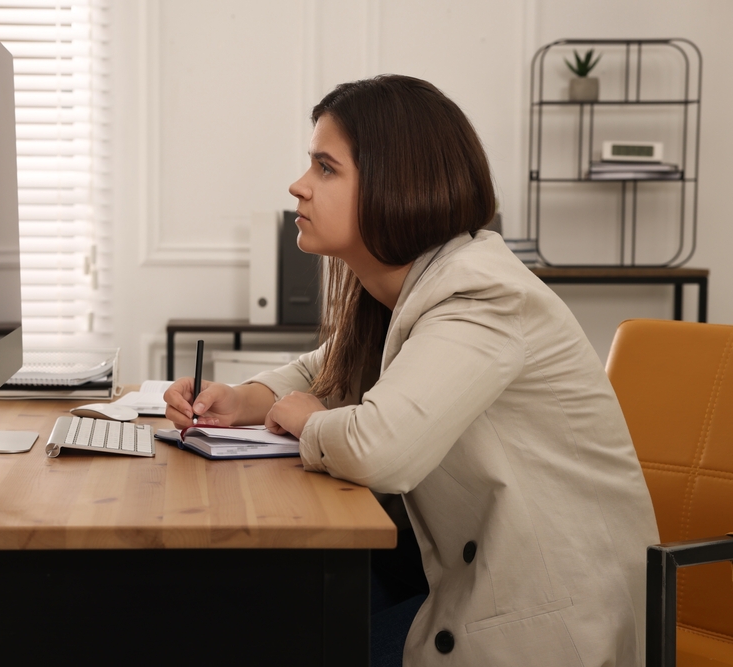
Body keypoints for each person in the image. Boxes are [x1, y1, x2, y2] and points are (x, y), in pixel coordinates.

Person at [163, 75, 658, 667]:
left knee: (278, 634)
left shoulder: (480, 295)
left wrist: (309, 420)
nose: (298, 186)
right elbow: (329, 366)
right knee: (269, 609)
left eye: (325, 168)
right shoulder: (407, 283)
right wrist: (245, 398)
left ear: (396, 183)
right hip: (463, 577)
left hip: (548, 620)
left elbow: (379, 451)